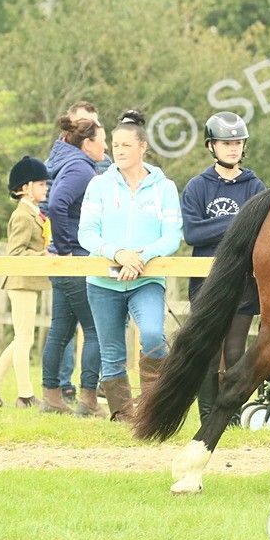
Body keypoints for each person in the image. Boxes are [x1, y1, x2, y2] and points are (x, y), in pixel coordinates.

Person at [78, 109, 182, 422]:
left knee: (152, 336)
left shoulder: (164, 187)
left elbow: (172, 236)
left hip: (147, 279)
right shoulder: (99, 185)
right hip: (103, 281)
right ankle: (124, 417)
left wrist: (142, 257)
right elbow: (86, 234)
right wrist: (118, 253)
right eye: (115, 144)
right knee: (112, 354)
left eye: (126, 145)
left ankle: (152, 408)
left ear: (142, 147)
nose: (119, 150)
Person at [182, 112, 265, 423]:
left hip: (242, 279)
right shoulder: (197, 186)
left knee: (235, 350)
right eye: (226, 143)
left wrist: (216, 225)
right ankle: (207, 415)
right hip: (206, 280)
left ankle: (232, 414)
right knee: (208, 350)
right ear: (211, 146)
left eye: (238, 143)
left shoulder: (254, 185)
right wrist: (239, 220)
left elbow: (260, 231)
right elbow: (192, 233)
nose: (233, 148)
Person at [43, 101, 110, 404]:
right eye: (103, 142)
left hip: (64, 259)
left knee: (61, 329)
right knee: (95, 330)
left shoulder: (73, 164)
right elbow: (56, 204)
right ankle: (88, 399)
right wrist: (68, 250)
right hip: (76, 260)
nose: (106, 148)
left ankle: (52, 397)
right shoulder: (81, 169)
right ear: (87, 144)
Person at [0, 157, 51, 408]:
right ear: (26, 187)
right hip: (20, 281)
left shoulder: (34, 214)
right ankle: (25, 395)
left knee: (21, 337)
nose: (46, 188)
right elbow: (16, 253)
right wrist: (44, 256)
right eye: (41, 184)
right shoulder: (21, 216)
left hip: (28, 282)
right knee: (24, 339)